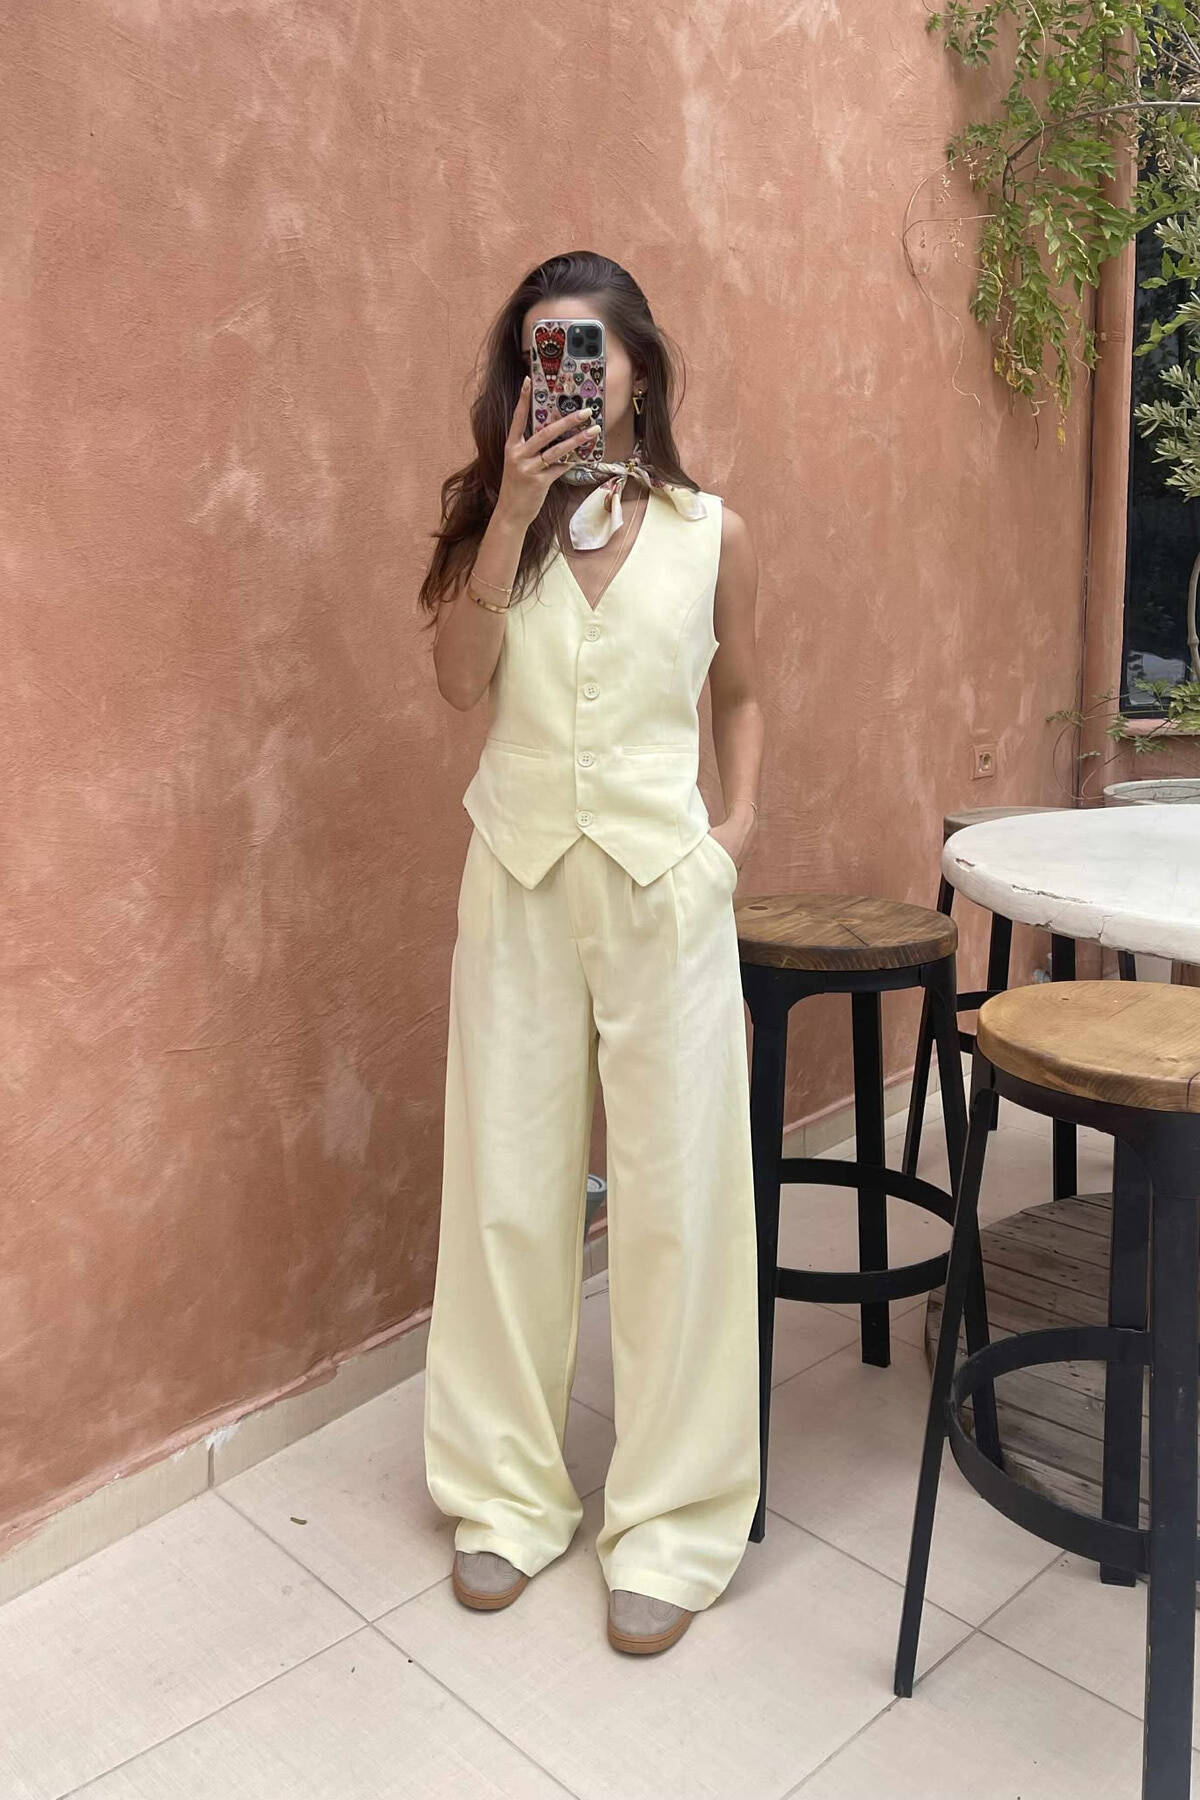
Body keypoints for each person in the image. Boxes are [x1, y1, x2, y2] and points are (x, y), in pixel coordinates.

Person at [417, 250, 764, 1656]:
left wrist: (735, 832)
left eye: (582, 349)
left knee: (680, 1203)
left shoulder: (712, 530)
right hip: (515, 876)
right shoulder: (495, 522)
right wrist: (510, 508)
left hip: (663, 885)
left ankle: (673, 1521)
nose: (556, 373)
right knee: (508, 1193)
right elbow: (459, 686)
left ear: (638, 370)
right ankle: (505, 1496)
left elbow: (743, 693)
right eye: (536, 352)